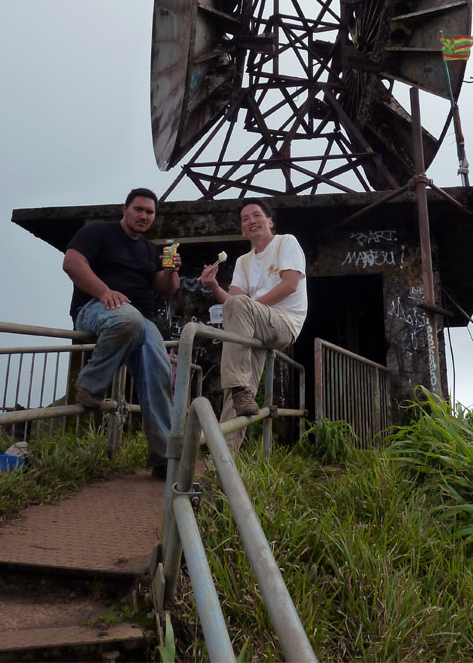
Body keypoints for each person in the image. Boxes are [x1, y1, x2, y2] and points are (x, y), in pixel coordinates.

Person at [62, 188, 180, 477]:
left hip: (141, 317)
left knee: (160, 370)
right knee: (128, 319)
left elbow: (166, 289)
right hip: (96, 307)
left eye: (149, 212)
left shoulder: (153, 250)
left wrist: (171, 270)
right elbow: (72, 262)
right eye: (138, 209)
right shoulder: (98, 232)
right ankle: (90, 385)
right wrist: (104, 292)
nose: (144, 216)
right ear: (124, 210)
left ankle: (164, 459)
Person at [199, 199, 307, 452]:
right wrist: (214, 286)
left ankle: (238, 387)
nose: (251, 221)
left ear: (270, 222)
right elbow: (232, 305)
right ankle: (223, 465)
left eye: (257, 215)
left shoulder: (286, 242)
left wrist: (249, 307)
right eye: (245, 218)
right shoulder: (243, 261)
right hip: (254, 325)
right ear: (242, 229)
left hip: (283, 324)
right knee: (235, 398)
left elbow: (290, 284)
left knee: (240, 308)